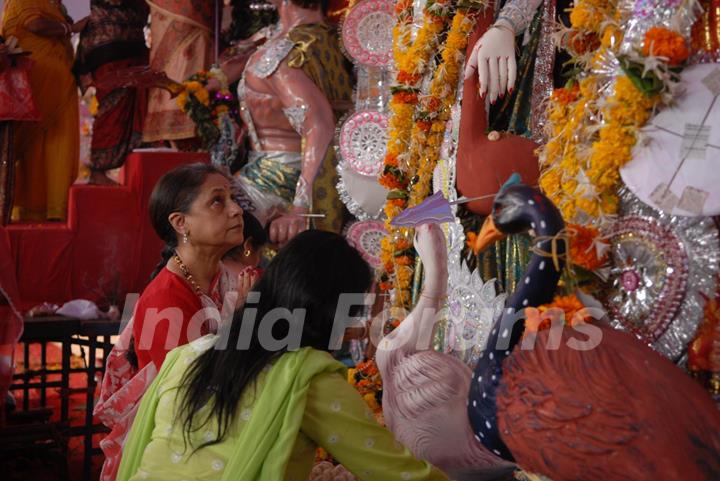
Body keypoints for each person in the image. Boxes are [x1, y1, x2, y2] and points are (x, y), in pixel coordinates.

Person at [117, 229, 451, 481]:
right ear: (327, 310)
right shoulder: (306, 379)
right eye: (351, 311)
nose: (353, 324)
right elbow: (396, 472)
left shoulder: (190, 355)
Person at [94, 163, 257, 481]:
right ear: (181, 223)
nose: (237, 210)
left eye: (233, 199)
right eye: (217, 201)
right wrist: (243, 321)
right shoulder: (166, 297)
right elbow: (193, 395)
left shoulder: (221, 278)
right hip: (178, 452)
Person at [214, 0, 352, 246]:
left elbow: (319, 124)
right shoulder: (335, 40)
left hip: (278, 183)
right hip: (335, 175)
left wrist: (301, 205)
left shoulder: (282, 54)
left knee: (209, 222)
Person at [0, 0, 86, 221]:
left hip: (57, 81)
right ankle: (32, 208)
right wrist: (71, 28)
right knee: (32, 146)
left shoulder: (53, 4)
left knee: (56, 143)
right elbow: (36, 24)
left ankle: (52, 208)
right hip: (38, 81)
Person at [74, 0, 150, 186]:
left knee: (139, 110)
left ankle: (132, 168)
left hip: (135, 49)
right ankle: (98, 170)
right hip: (108, 52)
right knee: (111, 110)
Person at [142, 0, 213, 147]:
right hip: (164, 10)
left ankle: (192, 128)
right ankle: (171, 132)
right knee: (169, 69)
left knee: (192, 60)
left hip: (198, 16)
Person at [222, 210, 268, 277]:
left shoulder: (209, 269)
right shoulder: (252, 278)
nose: (259, 262)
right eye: (260, 253)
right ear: (248, 246)